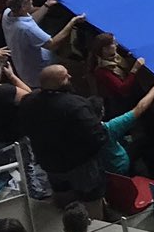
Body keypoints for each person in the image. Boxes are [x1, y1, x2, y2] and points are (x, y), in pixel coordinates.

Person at [16, 63, 108, 212]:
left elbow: (24, 127)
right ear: (59, 82)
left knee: (62, 197)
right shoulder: (76, 105)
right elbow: (97, 137)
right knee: (92, 198)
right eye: (66, 76)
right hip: (80, 165)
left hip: (50, 163)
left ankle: (68, 220)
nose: (70, 77)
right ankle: (96, 227)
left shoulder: (28, 101)